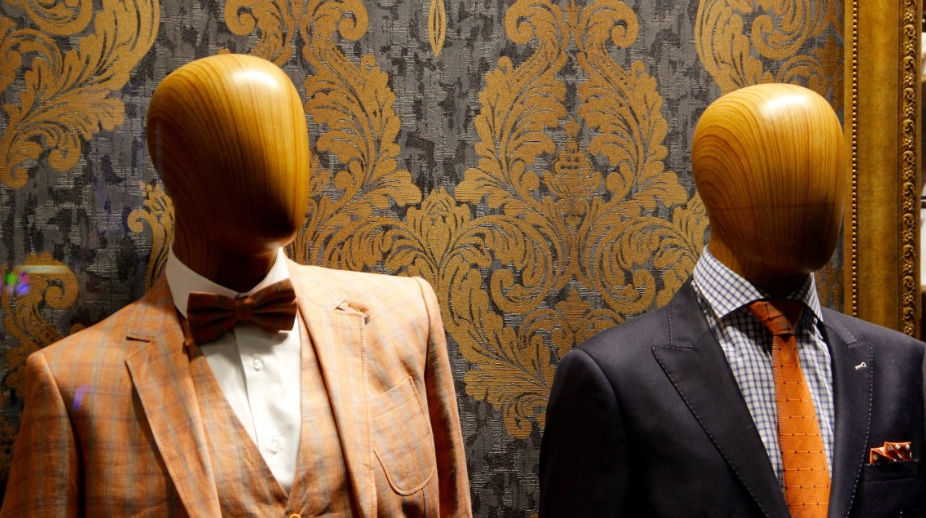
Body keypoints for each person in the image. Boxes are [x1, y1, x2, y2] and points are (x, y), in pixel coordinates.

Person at [1, 54, 471, 517]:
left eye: (285, 139)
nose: (275, 165)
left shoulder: (406, 317)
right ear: (176, 171)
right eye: (240, 145)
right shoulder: (69, 382)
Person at [539, 83, 926, 517]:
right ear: (720, 190)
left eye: (828, 176)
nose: (819, 201)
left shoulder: (906, 367)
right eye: (788, 178)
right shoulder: (612, 378)